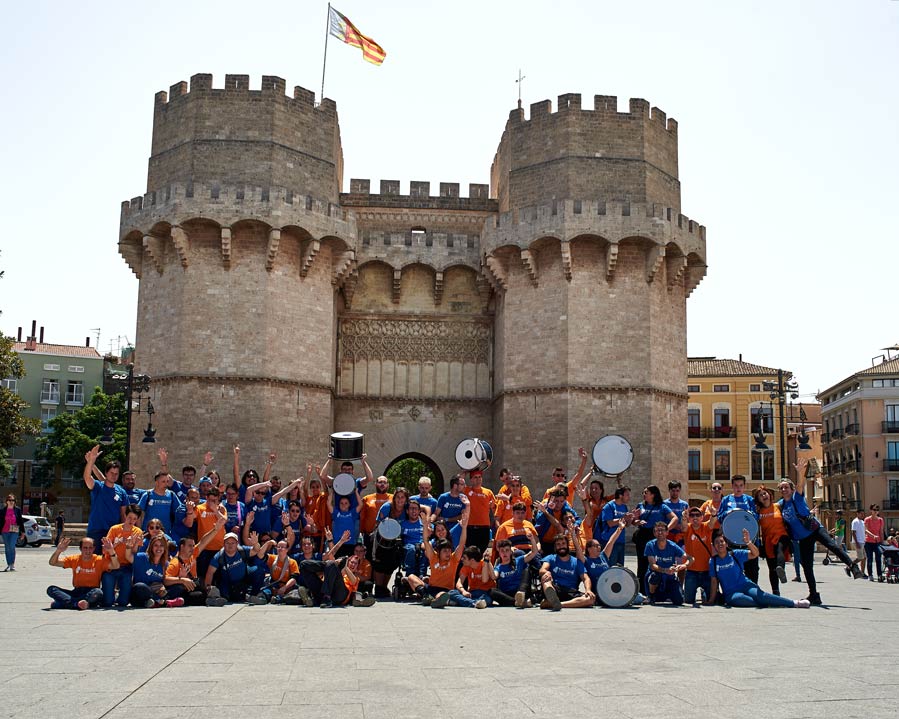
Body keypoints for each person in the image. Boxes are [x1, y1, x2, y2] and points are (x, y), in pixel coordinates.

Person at [777, 457, 863, 606]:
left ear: (791, 489)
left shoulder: (797, 498)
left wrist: (800, 473)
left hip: (814, 529)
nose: (784, 490)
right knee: (807, 566)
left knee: (832, 545)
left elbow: (800, 485)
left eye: (786, 487)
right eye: (781, 488)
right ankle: (814, 595)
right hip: (803, 538)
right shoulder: (781, 505)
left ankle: (853, 566)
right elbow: (771, 509)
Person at [708, 529, 810, 609]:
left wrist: (748, 542)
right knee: (740, 599)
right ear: (714, 546)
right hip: (731, 593)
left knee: (761, 596)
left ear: (726, 543)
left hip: (745, 585)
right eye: (717, 542)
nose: (720, 544)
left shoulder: (735, 554)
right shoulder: (713, 561)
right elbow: (714, 581)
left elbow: (755, 554)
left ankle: (794, 603)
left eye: (722, 541)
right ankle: (770, 603)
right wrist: (711, 600)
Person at [405, 497, 470, 606]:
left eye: (449, 550)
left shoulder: (454, 557)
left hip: (445, 589)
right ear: (439, 551)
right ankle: (426, 596)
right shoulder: (434, 556)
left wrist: (464, 527)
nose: (447, 553)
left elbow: (462, 543)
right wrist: (425, 525)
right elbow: (425, 541)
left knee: (442, 594)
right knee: (411, 577)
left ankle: (436, 600)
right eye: (445, 551)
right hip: (431, 588)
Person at [164, 515, 227, 606]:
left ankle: (209, 598)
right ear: (182, 546)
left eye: (193, 546)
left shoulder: (192, 554)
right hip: (181, 590)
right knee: (197, 595)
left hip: (191, 588)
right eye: (190, 546)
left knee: (200, 592)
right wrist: (182, 579)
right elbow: (166, 580)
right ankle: (209, 600)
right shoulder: (175, 563)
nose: (193, 548)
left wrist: (215, 530)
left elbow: (203, 542)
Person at [47, 536, 119, 610]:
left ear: (94, 548)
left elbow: (116, 566)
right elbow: (52, 562)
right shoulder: (74, 559)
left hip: (91, 592)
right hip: (76, 592)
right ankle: (77, 604)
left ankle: (65, 603)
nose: (88, 550)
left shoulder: (99, 560)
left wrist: (111, 551)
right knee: (51, 589)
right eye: (85, 548)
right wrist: (58, 551)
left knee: (98, 592)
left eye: (90, 548)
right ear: (80, 548)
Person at [633, 485, 677, 594]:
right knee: (642, 564)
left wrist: (665, 530)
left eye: (646, 492)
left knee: (657, 563)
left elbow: (675, 518)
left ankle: (658, 590)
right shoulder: (640, 505)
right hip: (642, 536)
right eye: (643, 492)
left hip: (656, 536)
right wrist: (636, 521)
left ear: (653, 494)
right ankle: (642, 591)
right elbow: (634, 521)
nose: (644, 494)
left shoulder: (662, 506)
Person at [204, 531, 268, 605]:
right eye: (227, 543)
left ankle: (254, 596)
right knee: (224, 595)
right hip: (227, 582)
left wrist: (255, 543)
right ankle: (216, 599)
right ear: (223, 544)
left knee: (259, 571)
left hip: (243, 578)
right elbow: (210, 572)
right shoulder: (219, 556)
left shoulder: (242, 550)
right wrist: (208, 588)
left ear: (237, 544)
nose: (230, 545)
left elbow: (256, 550)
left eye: (233, 543)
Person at [82, 445, 128, 547]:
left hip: (113, 532)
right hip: (96, 530)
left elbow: (123, 514)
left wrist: (125, 532)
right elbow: (87, 477)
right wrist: (91, 461)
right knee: (94, 556)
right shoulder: (98, 487)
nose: (114, 475)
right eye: (111, 473)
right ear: (106, 473)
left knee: (111, 557)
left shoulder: (121, 491)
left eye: (116, 473)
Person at [717, 475, 759, 583]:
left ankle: (752, 589)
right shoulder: (726, 500)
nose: (738, 488)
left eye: (741, 485)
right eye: (736, 485)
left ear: (744, 486)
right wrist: (728, 512)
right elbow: (719, 517)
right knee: (732, 570)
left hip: (748, 541)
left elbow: (756, 517)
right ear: (732, 486)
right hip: (731, 542)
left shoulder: (749, 500)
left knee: (752, 570)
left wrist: (750, 513)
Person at [102, 504, 145, 607]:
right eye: (129, 517)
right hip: (111, 566)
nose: (131, 521)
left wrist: (134, 544)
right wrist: (117, 543)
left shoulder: (137, 532)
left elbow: (134, 554)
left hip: (126, 567)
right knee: (108, 602)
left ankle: (119, 593)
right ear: (125, 515)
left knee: (123, 602)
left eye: (134, 519)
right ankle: (109, 592)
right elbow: (105, 550)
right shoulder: (114, 529)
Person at [538, 534, 594, 611]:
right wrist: (547, 572)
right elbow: (542, 570)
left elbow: (586, 578)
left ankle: (556, 604)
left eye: (563, 543)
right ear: (555, 547)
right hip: (555, 589)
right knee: (545, 577)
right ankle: (554, 600)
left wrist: (588, 590)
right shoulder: (550, 558)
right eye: (558, 544)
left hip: (571, 591)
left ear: (567, 545)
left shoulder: (576, 561)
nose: (561, 546)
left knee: (590, 599)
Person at [582, 519, 630, 607]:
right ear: (589, 549)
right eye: (595, 546)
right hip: (598, 592)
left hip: (611, 588)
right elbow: (578, 550)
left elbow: (611, 541)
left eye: (599, 545)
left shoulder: (603, 556)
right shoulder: (586, 560)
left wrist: (619, 528)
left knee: (635, 596)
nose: (599, 547)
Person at [753, 486, 791, 594]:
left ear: (770, 495)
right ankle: (776, 592)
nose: (763, 496)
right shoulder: (759, 512)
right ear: (758, 499)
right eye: (760, 495)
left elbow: (790, 500)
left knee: (779, 549)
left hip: (782, 535)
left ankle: (781, 569)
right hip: (768, 540)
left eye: (765, 493)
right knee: (771, 568)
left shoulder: (778, 506)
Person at [126, 534, 181, 608]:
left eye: (161, 545)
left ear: (165, 548)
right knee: (139, 586)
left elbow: (167, 580)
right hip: (141, 594)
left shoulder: (165, 564)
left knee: (177, 588)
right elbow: (129, 557)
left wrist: (181, 578)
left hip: (158, 593)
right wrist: (128, 546)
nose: (158, 548)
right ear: (151, 547)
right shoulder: (142, 557)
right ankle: (164, 602)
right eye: (156, 545)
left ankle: (158, 602)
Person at [643, 522, 690, 605]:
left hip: (669, 576)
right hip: (657, 575)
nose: (660, 533)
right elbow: (653, 565)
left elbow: (690, 558)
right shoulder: (650, 545)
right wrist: (665, 570)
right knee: (654, 576)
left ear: (667, 532)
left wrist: (683, 565)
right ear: (654, 533)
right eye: (657, 530)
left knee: (679, 601)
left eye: (662, 530)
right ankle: (651, 596)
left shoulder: (673, 546)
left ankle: (667, 595)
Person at [491, 533, 540, 607]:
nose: (504, 553)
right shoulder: (498, 567)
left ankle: (521, 598)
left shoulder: (519, 560)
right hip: (507, 594)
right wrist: (487, 562)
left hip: (521, 590)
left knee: (526, 569)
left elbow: (534, 552)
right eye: (502, 551)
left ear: (511, 552)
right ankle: (519, 602)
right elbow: (494, 576)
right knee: (492, 591)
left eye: (507, 550)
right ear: (499, 553)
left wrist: (532, 539)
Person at [680, 507, 716, 606]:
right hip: (692, 571)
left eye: (697, 515)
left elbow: (712, 522)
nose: (695, 517)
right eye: (692, 515)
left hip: (707, 571)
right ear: (689, 518)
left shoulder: (706, 527)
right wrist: (684, 517)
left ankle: (704, 593)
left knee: (711, 599)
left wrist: (713, 514)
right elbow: (683, 526)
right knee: (688, 600)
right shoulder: (688, 528)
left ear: (702, 517)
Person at [596, 486, 631, 566]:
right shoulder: (609, 506)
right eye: (627, 495)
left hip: (621, 541)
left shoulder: (624, 507)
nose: (629, 497)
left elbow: (627, 524)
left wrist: (630, 519)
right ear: (620, 495)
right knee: (610, 566)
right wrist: (623, 517)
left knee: (619, 567)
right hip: (610, 542)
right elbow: (610, 523)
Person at [463, 469, 495, 554]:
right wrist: (465, 471)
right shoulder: (466, 490)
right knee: (470, 551)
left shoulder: (488, 492)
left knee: (481, 551)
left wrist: (492, 505)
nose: (478, 479)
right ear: (471, 480)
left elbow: (495, 509)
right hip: (470, 527)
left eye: (480, 477)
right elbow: (459, 481)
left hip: (484, 527)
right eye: (475, 477)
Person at [327, 482, 362, 557]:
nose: (343, 505)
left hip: (350, 543)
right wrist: (332, 492)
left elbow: (360, 504)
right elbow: (329, 504)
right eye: (341, 503)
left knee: (349, 562)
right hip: (338, 543)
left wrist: (356, 492)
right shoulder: (336, 513)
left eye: (346, 503)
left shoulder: (352, 513)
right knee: (337, 562)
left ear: (349, 504)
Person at [2, 494, 24, 571]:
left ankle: (12, 564)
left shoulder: (17, 510)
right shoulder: (3, 510)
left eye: (13, 500)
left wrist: (23, 532)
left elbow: (20, 521)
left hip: (14, 530)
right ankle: (9, 564)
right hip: (5, 531)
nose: (11, 502)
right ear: (7, 501)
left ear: (15, 502)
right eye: (10, 500)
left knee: (12, 546)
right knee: (7, 548)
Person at [663, 481, 689, 546]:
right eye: (673, 491)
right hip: (668, 535)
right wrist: (673, 526)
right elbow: (661, 519)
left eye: (677, 491)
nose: (675, 493)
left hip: (681, 536)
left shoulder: (684, 504)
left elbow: (688, 520)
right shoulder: (664, 504)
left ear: (680, 491)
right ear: (669, 490)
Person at [864, 504, 886, 582]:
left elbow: (881, 531)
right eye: (874, 510)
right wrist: (873, 536)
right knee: (869, 559)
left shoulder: (880, 520)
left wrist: (882, 542)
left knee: (878, 559)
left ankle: (879, 575)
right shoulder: (867, 519)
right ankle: (870, 575)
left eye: (877, 510)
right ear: (871, 510)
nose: (876, 511)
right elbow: (866, 530)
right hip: (868, 542)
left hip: (877, 542)